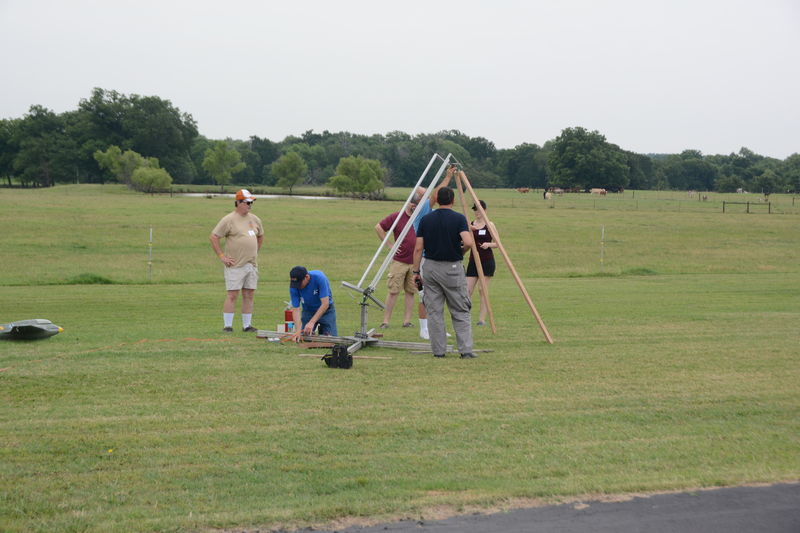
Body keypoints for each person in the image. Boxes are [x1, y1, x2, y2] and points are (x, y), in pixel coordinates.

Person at [412, 185, 476, 359]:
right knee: (460, 309)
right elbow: (469, 242)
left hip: (430, 268)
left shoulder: (426, 219)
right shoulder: (459, 219)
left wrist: (415, 272)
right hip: (453, 268)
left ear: (437, 200)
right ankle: (465, 350)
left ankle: (439, 351)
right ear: (453, 200)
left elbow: (418, 248)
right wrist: (460, 252)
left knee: (434, 311)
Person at [209, 189, 264, 332]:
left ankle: (247, 325)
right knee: (233, 294)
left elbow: (260, 236)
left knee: (249, 294)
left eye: (251, 202)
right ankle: (228, 326)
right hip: (235, 264)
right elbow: (214, 237)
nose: (250, 205)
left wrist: (255, 251)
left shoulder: (255, 219)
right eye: (247, 202)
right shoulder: (229, 219)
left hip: (251, 264)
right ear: (238, 203)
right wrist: (222, 256)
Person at [375, 190, 424, 330]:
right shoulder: (397, 216)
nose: (416, 208)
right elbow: (379, 227)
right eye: (414, 204)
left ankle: (407, 321)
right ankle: (386, 321)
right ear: (409, 203)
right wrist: (389, 245)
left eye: (418, 205)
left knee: (411, 291)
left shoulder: (419, 218)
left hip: (415, 262)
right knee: (393, 291)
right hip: (399, 261)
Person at [465, 199, 498, 326]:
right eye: (475, 210)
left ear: (485, 210)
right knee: (467, 290)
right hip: (473, 260)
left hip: (487, 261)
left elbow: (498, 243)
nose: (477, 212)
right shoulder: (470, 224)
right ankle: (465, 316)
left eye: (479, 210)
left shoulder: (490, 225)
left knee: (482, 289)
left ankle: (481, 319)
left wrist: (488, 244)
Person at [288, 266, 338, 341]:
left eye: (299, 284)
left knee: (331, 340)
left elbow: (325, 304)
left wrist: (311, 323)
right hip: (308, 310)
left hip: (326, 311)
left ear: (307, 277)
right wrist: (297, 331)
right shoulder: (294, 286)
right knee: (305, 339)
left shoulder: (320, 278)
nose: (297, 287)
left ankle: (323, 329)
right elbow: (296, 309)